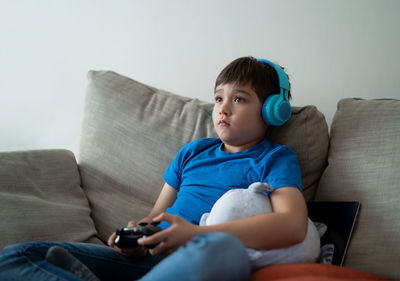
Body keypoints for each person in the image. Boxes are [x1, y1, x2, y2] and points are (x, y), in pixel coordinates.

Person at [0, 56, 308, 281]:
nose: (223, 109)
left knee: (221, 249)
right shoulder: (194, 152)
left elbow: (293, 225)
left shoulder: (274, 158)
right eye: (218, 98)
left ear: (273, 111)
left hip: (202, 255)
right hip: (149, 258)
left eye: (239, 99)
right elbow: (155, 215)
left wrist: (195, 235)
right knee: (15, 257)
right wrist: (138, 235)